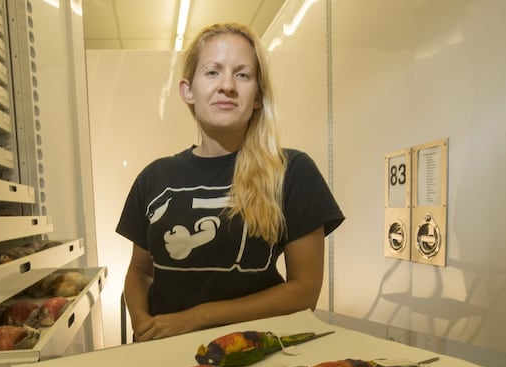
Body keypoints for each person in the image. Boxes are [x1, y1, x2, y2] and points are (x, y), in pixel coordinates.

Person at [116, 22, 344, 342]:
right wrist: (142, 324)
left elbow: (304, 292)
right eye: (212, 72)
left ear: (257, 97)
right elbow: (139, 272)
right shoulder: (154, 178)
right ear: (188, 90)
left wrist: (200, 317)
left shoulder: (292, 172)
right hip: (163, 351)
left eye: (242, 74)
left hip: (257, 352)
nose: (227, 86)